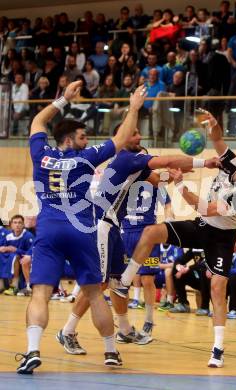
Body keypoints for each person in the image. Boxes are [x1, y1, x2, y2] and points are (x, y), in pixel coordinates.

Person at [114, 109, 236, 368]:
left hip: (222, 237)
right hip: (201, 227)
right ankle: (126, 281)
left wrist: (180, 184)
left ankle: (218, 348)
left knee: (218, 288)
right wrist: (213, 122)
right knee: (152, 232)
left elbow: (206, 208)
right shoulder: (231, 162)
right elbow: (218, 140)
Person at [15, 80, 147, 374]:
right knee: (94, 293)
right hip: (81, 229)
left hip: (49, 229)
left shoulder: (41, 154)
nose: (87, 141)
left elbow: (38, 120)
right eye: (83, 136)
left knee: (40, 292)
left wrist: (63, 99)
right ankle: (111, 352)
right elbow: (123, 137)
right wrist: (133, 108)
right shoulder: (85, 158)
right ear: (68, 139)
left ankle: (32, 350)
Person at [56, 119, 220, 354]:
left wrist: (176, 174)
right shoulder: (124, 158)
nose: (139, 136)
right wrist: (206, 162)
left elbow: (158, 179)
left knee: (117, 281)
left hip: (116, 229)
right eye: (134, 133)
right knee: (99, 283)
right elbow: (167, 160)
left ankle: (124, 328)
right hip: (101, 226)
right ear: (122, 138)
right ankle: (68, 331)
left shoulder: (134, 165)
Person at [121, 174, 173, 344]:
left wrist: (169, 221)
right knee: (121, 280)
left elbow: (167, 204)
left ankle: (149, 320)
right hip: (126, 234)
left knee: (147, 279)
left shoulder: (157, 183)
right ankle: (124, 326)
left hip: (148, 234)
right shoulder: (124, 179)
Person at [169, 248, 212, 316]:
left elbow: (206, 263)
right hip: (198, 278)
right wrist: (178, 265)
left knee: (204, 271)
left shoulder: (209, 244)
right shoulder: (195, 247)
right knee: (176, 271)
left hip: (209, 278)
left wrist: (188, 268)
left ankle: (205, 307)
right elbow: (181, 259)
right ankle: (183, 304)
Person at [0, 215, 34, 296]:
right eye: (15, 223)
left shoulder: (28, 236)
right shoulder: (8, 236)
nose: (17, 225)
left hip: (27, 262)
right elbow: (5, 248)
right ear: (11, 225)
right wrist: (3, 248)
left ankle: (14, 286)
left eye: (20, 223)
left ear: (23, 225)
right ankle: (2, 285)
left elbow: (31, 252)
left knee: (14, 256)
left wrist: (16, 250)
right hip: (14, 260)